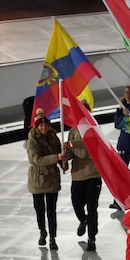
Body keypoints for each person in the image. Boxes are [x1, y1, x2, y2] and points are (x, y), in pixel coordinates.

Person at [65, 100, 101, 252]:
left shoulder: (93, 128)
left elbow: (88, 146)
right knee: (76, 203)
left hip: (93, 173)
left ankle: (92, 238)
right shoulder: (73, 131)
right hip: (78, 174)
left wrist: (71, 145)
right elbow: (71, 151)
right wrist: (65, 156)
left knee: (92, 207)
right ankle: (84, 220)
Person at [28, 109, 65, 250]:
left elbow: (59, 152)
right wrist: (56, 158)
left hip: (52, 178)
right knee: (40, 210)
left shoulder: (53, 137)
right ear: (36, 127)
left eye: (45, 125)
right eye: (40, 126)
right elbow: (37, 160)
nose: (43, 128)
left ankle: (52, 237)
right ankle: (42, 231)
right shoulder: (32, 141)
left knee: (51, 210)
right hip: (37, 179)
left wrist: (63, 161)